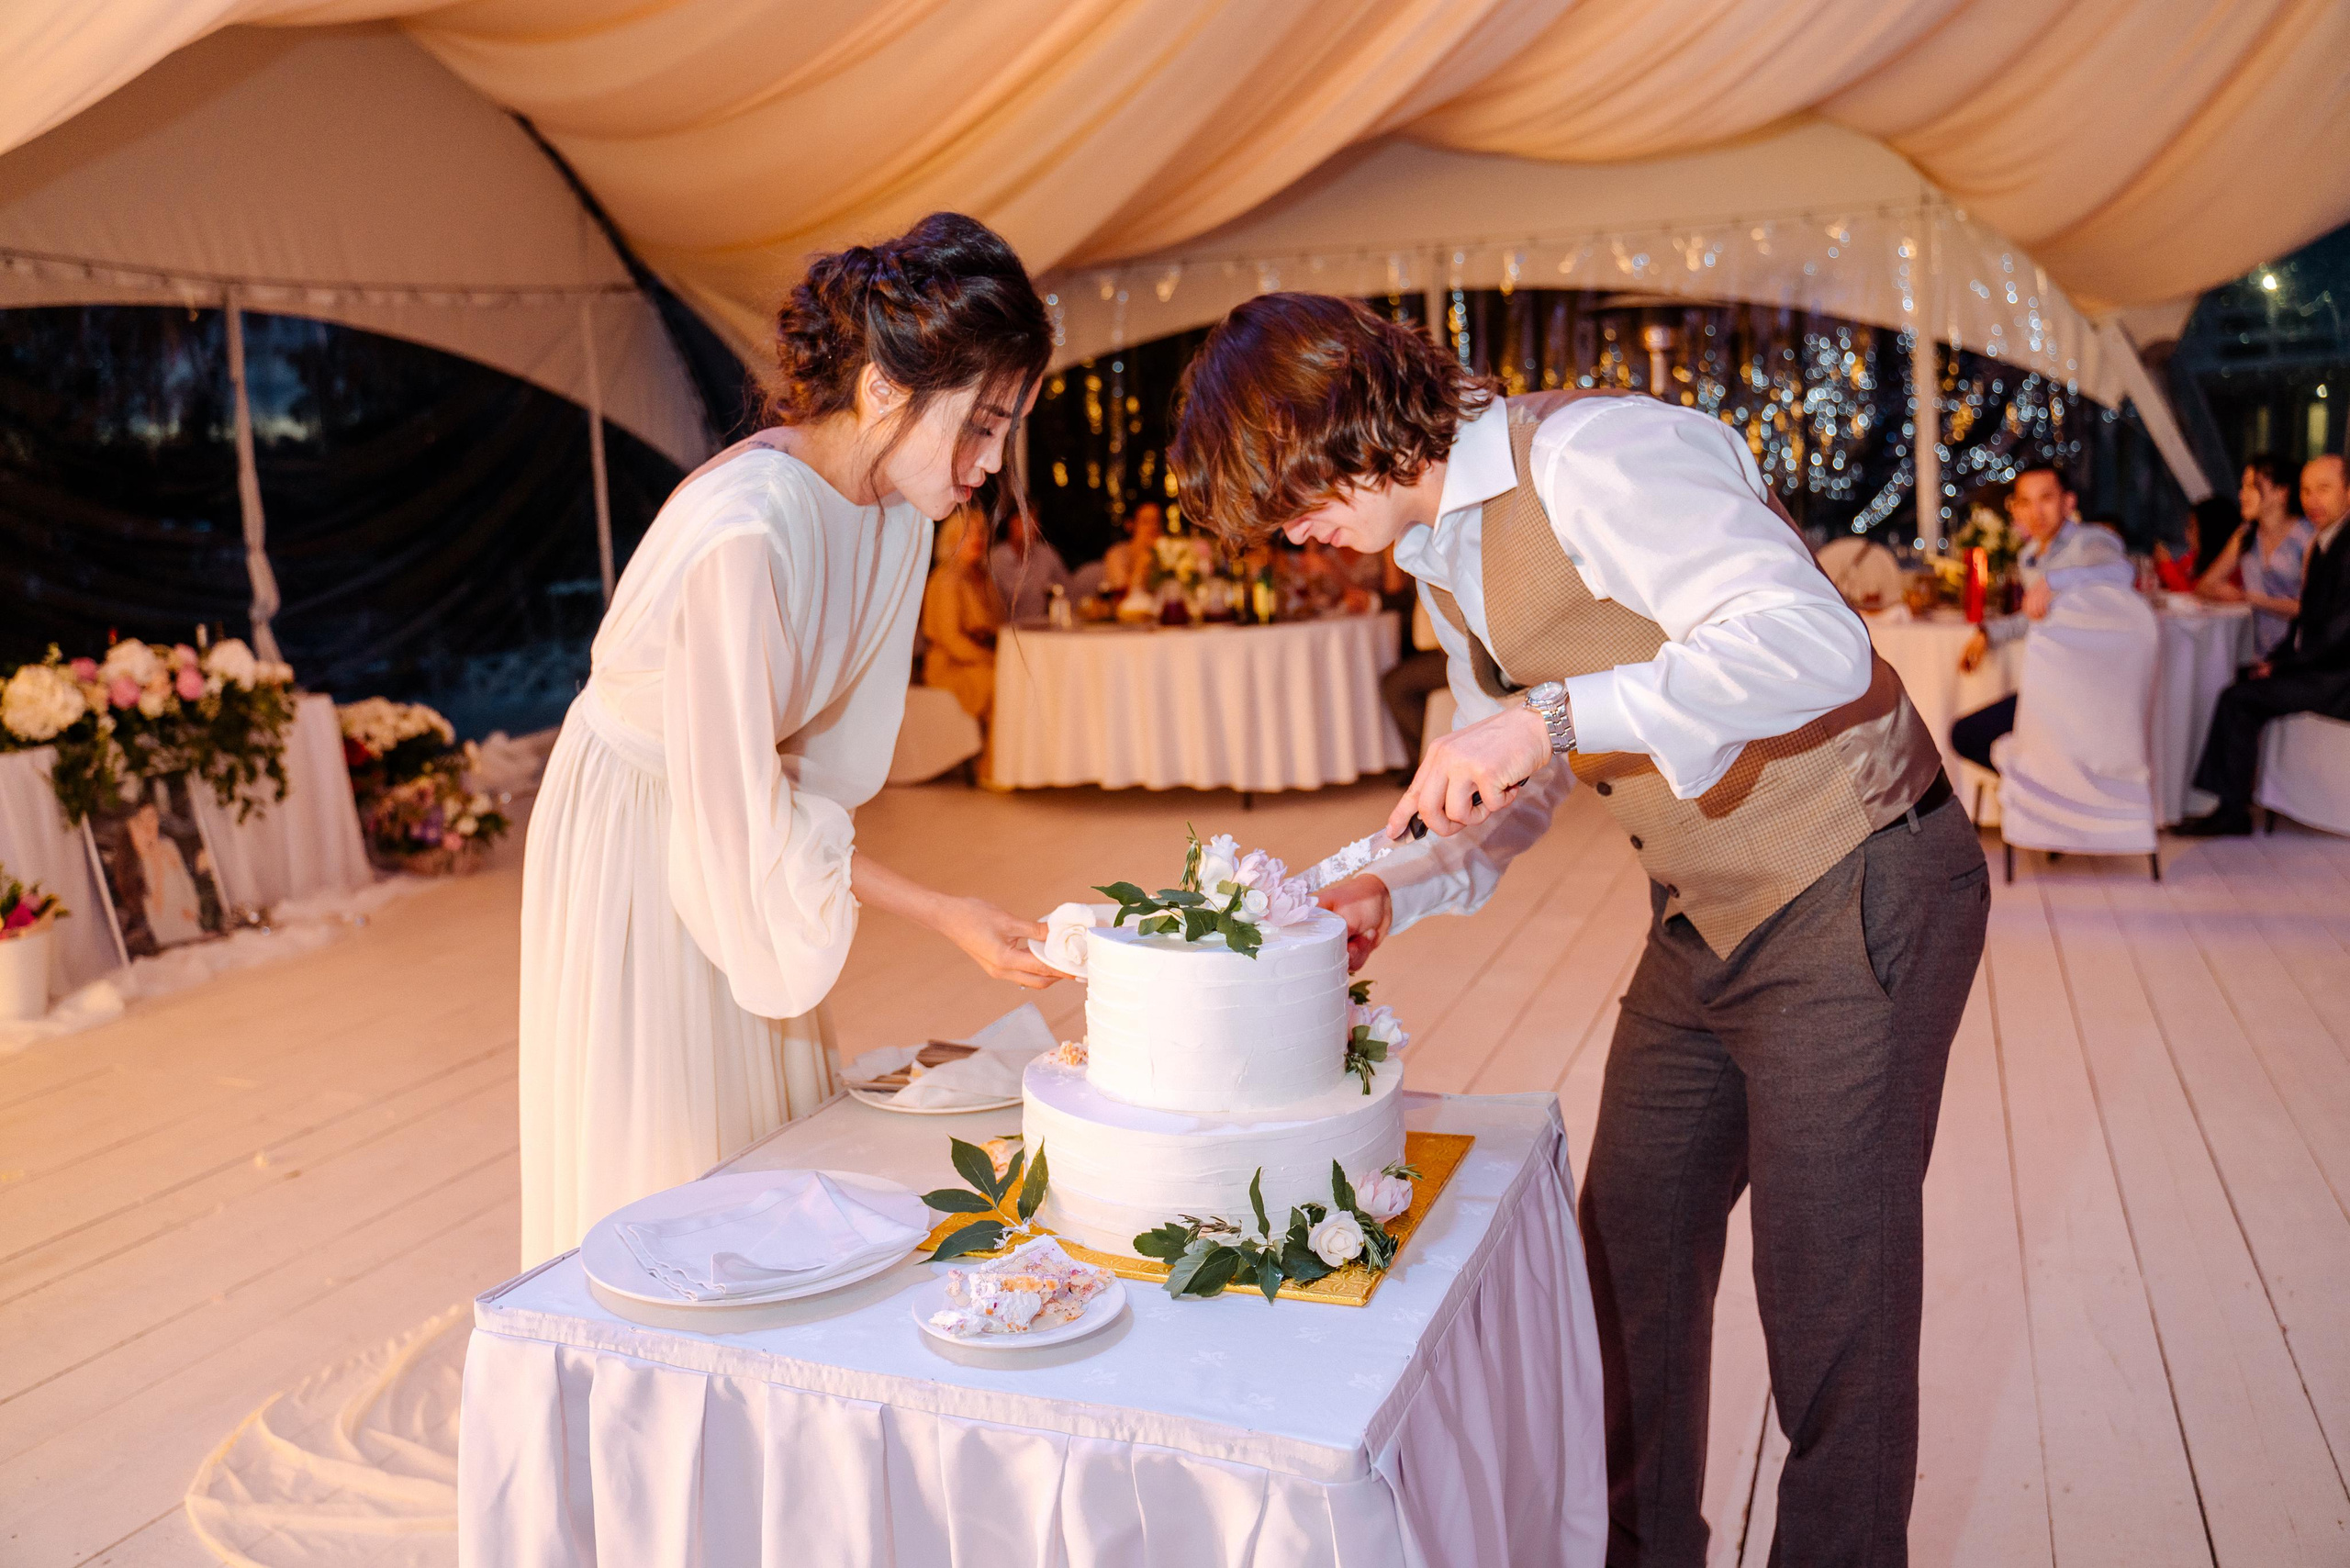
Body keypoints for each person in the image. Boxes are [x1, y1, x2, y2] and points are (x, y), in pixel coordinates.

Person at [1170, 294, 1986, 1568]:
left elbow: (1813, 644)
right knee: (1629, 1265)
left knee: (1833, 1310)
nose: (1292, 536)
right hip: (1702, 913)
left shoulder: (1597, 456)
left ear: (1343, 425)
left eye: (1287, 501)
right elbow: (1511, 778)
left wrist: (1547, 715)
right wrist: (1395, 888)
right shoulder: (1442, 552)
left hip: (1858, 875)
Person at [515, 212, 1063, 1267]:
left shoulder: (892, 506)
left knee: (760, 1126)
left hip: (732, 813)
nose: (990, 464)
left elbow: (797, 775)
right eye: (981, 425)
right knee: (672, 1142)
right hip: (644, 829)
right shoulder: (749, 533)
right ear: (885, 388)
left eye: (1007, 431)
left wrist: (948, 911)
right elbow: (746, 809)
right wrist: (946, 913)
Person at [2176, 453, 2350, 836]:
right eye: (2307, 490)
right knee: (2234, 686)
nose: (2312, 500)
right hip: (2322, 668)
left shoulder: (2336, 545)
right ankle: (2224, 801)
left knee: (2238, 699)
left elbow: (2338, 631)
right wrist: (2278, 661)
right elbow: (2310, 622)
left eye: (2324, 489)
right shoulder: (2326, 541)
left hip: (2338, 679)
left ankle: (2230, 810)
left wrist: (2285, 666)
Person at [1948, 465, 2133, 772]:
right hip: (2053, 683)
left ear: (2068, 502)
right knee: (1966, 734)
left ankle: (2050, 787)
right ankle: (2048, 787)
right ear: (2016, 509)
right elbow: (2035, 615)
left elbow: (2122, 573)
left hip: (2093, 689)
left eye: (2046, 498)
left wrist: (2054, 581)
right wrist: (1988, 634)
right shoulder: (2030, 555)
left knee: (1969, 735)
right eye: (2025, 502)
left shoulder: (2089, 540)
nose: (2036, 512)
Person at [2195, 454, 2313, 657]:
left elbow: (2310, 607)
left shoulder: (2306, 537)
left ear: (2281, 492)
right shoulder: (2246, 534)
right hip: (2254, 651)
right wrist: (2225, 594)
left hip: (2296, 654)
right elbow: (2204, 585)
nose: (2242, 494)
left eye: (2252, 487)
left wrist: (2249, 598)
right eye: (2243, 487)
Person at [923, 503, 1005, 757]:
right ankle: (991, 763)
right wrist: (993, 659)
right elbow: (952, 641)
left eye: (981, 532)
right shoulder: (946, 579)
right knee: (1001, 683)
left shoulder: (983, 577)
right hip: (951, 666)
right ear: (952, 539)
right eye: (968, 533)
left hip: (980, 660)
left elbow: (999, 626)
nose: (977, 539)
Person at [988, 505, 1070, 622]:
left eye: (1035, 521)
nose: (1032, 527)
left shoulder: (1046, 554)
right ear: (1011, 524)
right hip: (1008, 628)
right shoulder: (995, 561)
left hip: (1043, 627)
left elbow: (1067, 590)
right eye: (1025, 521)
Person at [1099, 501, 1165, 595]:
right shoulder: (1117, 553)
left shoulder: (1167, 554)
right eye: (1146, 522)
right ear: (1130, 525)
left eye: (1157, 521)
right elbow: (1122, 591)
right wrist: (1144, 559)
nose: (1153, 527)